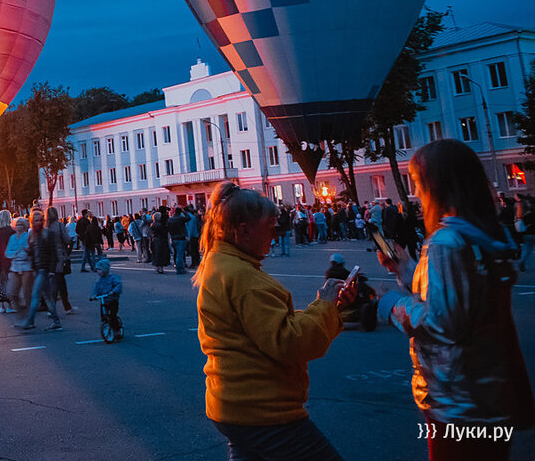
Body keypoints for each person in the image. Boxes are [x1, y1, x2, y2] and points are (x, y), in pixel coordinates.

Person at [375, 139, 534, 460]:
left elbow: (442, 322)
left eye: (418, 185)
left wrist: (390, 303)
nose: (416, 195)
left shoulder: (446, 242)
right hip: (489, 390)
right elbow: (459, 299)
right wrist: (404, 268)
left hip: (458, 399)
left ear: (439, 186)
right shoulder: (484, 234)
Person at [194, 182, 356, 461]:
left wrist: (331, 308)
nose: (277, 232)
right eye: (270, 226)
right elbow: (289, 342)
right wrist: (326, 305)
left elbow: (268, 329)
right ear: (244, 230)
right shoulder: (244, 278)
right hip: (264, 410)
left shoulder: (221, 263)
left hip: (233, 404)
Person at [14, 209, 63, 332]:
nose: (38, 222)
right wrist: (26, 250)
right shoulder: (33, 234)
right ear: (32, 221)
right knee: (47, 297)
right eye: (36, 220)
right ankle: (56, 321)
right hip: (37, 269)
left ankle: (30, 321)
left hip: (44, 269)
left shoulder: (47, 233)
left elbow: (53, 253)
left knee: (35, 295)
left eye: (40, 220)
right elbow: (34, 250)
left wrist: (51, 270)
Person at [5, 216, 33, 313]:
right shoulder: (12, 238)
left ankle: (30, 313)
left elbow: (28, 250)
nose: (19, 227)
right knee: (12, 292)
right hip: (15, 267)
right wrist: (16, 253)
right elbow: (7, 252)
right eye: (17, 225)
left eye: (21, 224)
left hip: (26, 266)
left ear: (24, 226)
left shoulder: (27, 236)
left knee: (27, 292)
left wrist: (19, 253)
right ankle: (21, 312)